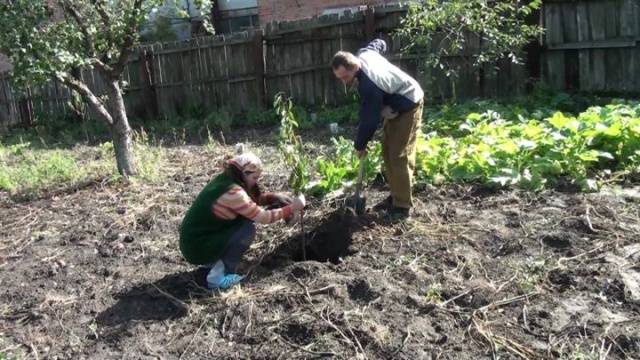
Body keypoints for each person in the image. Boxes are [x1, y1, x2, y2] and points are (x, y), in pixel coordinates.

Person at [179, 152, 305, 290]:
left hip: (197, 239)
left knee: (244, 221)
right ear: (244, 173)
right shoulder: (234, 193)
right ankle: (218, 278)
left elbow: (252, 201)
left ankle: (213, 264)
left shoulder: (225, 180)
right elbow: (263, 217)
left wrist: (273, 197)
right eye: (254, 177)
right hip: (196, 247)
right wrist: (292, 207)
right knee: (246, 230)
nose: (256, 181)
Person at [331, 39, 424, 220]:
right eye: (339, 78)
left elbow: (370, 120)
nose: (343, 81)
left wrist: (360, 145)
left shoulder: (369, 86)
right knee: (387, 151)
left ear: (354, 67)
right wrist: (381, 43)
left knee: (398, 154)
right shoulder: (365, 53)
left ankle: (402, 208)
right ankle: (397, 195)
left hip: (409, 103)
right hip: (394, 106)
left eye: (344, 77)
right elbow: (378, 43)